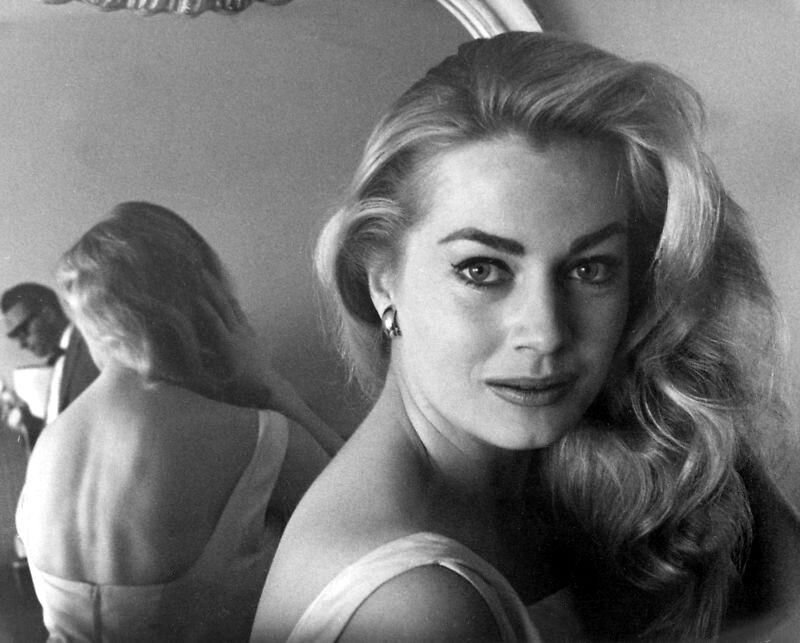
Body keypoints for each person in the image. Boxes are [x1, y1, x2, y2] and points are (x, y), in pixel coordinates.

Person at [251, 32, 800, 642]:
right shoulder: (411, 606)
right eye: (481, 270)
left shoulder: (580, 476)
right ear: (382, 280)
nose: (545, 332)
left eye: (590, 269)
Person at [16, 201, 343, 641]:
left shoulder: (49, 444)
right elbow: (375, 522)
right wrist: (271, 385)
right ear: (203, 302)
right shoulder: (256, 436)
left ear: (91, 322)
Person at [2, 282, 99, 447]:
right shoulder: (58, 362)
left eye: (24, 331)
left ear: (48, 315)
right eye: (16, 336)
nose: (22, 344)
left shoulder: (91, 348)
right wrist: (28, 422)